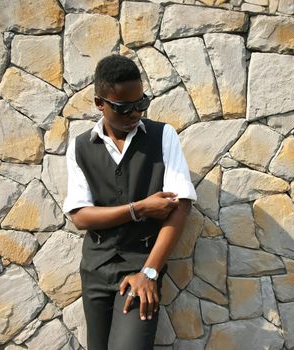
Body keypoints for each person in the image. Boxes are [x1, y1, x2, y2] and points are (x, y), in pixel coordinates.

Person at [63, 54, 197, 350]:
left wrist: (149, 272)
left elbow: (181, 206)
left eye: (142, 104)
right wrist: (139, 209)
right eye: (125, 108)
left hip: (141, 267)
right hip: (96, 271)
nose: (135, 113)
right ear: (100, 103)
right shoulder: (81, 147)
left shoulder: (163, 136)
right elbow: (81, 217)